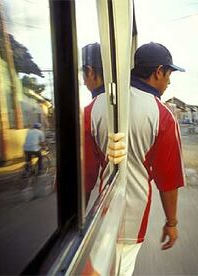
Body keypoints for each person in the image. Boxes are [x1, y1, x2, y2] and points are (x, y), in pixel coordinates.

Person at [109, 42, 185, 276]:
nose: (169, 82)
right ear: (158, 72)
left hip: (97, 213)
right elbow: (168, 179)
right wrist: (171, 223)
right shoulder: (162, 116)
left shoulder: (103, 103)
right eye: (169, 74)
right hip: (130, 216)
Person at [82, 43, 110, 211]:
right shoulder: (140, 104)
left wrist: (74, 224)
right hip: (142, 203)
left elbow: (84, 176)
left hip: (110, 204)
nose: (84, 82)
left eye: (83, 74)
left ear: (91, 72)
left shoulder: (89, 113)